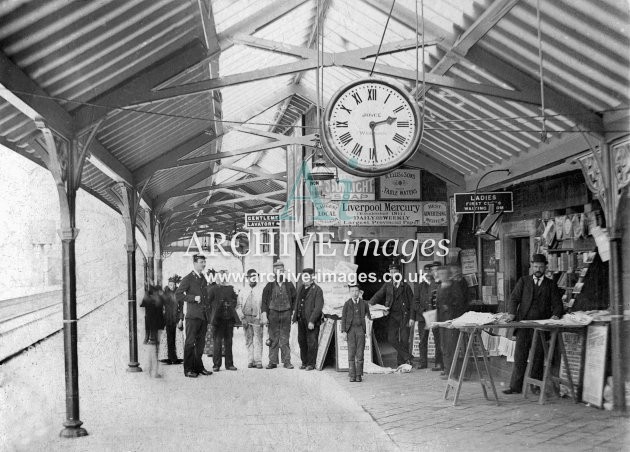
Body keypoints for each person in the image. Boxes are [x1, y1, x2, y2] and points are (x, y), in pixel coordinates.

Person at [503, 254, 563, 395]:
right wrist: (512, 313)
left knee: (537, 357)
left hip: (541, 327)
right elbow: (513, 299)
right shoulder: (524, 281)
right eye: (536, 266)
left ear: (545, 268)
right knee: (520, 356)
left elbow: (558, 304)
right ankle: (515, 387)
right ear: (532, 267)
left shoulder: (550, 284)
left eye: (541, 267)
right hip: (524, 326)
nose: (538, 269)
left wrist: (556, 314)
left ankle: (535, 386)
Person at [368, 263, 413, 366]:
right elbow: (378, 295)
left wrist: (412, 318)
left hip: (404, 315)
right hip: (392, 315)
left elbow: (412, 303)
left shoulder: (405, 286)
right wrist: (369, 304)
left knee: (404, 339)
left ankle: (401, 362)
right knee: (391, 338)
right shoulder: (387, 285)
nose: (393, 274)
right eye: (391, 272)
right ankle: (408, 357)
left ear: (399, 273)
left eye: (395, 272)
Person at [176, 254, 212, 378]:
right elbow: (178, 295)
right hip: (192, 317)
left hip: (203, 316)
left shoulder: (203, 278)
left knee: (201, 344)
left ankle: (198, 367)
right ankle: (188, 369)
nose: (204, 264)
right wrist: (192, 298)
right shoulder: (187, 278)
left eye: (204, 262)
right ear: (195, 263)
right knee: (190, 343)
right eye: (202, 262)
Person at [261, 260, 297, 369]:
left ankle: (287, 361)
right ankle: (272, 361)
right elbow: (264, 302)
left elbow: (295, 300)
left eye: (281, 270)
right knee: (273, 338)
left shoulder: (290, 284)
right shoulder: (269, 285)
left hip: (286, 314)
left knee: (285, 338)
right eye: (277, 270)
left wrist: (293, 313)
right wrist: (264, 314)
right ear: (273, 272)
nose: (279, 272)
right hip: (273, 314)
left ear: (284, 272)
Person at [436, 265, 468, 379]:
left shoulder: (455, 286)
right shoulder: (440, 286)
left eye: (443, 274)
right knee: (444, 347)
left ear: (448, 274)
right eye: (439, 274)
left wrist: (448, 307)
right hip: (442, 321)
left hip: (452, 321)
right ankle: (448, 371)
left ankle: (455, 373)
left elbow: (460, 303)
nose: (440, 276)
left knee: (452, 347)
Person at [293, 268, 324, 371]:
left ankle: (311, 364)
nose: (305, 278)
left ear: (312, 277)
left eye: (307, 276)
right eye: (303, 276)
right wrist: (295, 317)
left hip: (311, 321)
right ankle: (304, 362)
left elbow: (318, 307)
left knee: (312, 342)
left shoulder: (317, 290)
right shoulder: (301, 287)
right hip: (301, 319)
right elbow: (297, 302)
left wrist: (312, 321)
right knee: (302, 341)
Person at [209, 269, 240, 371]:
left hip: (229, 319)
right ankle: (216, 365)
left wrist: (231, 305)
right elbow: (207, 303)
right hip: (218, 320)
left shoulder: (230, 289)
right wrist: (212, 316)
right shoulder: (213, 289)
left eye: (224, 276)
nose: (223, 278)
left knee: (228, 342)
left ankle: (229, 364)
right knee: (217, 342)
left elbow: (235, 300)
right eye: (221, 276)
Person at [342, 283, 371, 382]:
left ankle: (359, 375)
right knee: (351, 353)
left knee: (360, 353)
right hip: (350, 331)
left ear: (360, 292)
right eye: (352, 291)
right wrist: (344, 331)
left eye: (356, 291)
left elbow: (368, 317)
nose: (354, 293)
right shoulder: (347, 304)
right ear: (349, 292)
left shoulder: (364, 303)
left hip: (360, 330)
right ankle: (352, 375)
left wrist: (367, 331)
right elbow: (344, 318)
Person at [408, 263, 436, 369]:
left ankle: (439, 363)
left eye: (430, 271)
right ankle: (423, 363)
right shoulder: (419, 287)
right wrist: (423, 311)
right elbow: (415, 303)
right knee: (423, 340)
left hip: (435, 317)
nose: (428, 273)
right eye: (426, 271)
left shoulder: (437, 285)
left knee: (438, 340)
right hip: (423, 317)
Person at [237, 269, 265, 369]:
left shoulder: (261, 290)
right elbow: (238, 306)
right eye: (250, 277)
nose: (252, 279)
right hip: (246, 318)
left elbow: (264, 305)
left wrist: (263, 317)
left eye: (254, 277)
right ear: (248, 278)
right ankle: (250, 360)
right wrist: (242, 318)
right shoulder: (243, 290)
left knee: (258, 339)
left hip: (257, 318)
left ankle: (258, 361)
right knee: (248, 339)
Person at [141, 285, 165, 378]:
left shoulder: (148, 299)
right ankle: (154, 372)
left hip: (150, 326)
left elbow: (142, 304)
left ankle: (150, 371)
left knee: (152, 349)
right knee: (155, 349)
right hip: (157, 326)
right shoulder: (159, 299)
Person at [162, 276, 183, 365]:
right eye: (170, 284)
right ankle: (168, 358)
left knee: (176, 337)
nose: (172, 286)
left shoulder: (179, 294)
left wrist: (181, 319)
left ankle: (176, 358)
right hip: (167, 318)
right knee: (168, 338)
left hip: (176, 318)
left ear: (176, 284)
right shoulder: (165, 294)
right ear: (168, 285)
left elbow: (181, 307)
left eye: (173, 284)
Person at [204, 269, 218, 357]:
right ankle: (210, 350)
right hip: (207, 311)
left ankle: (217, 350)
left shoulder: (217, 287)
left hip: (214, 310)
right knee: (209, 330)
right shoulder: (205, 287)